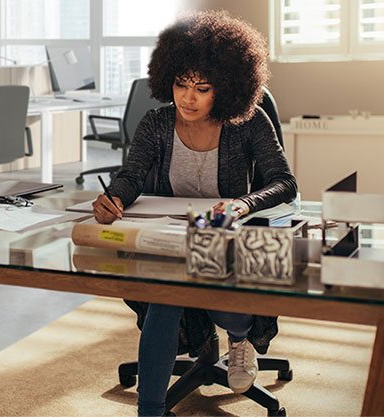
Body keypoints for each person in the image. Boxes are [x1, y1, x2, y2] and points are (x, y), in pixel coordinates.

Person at [91, 10, 297, 417]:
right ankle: (150, 410)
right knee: (167, 291)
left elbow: (284, 182)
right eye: (181, 85)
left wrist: (243, 203)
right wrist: (112, 198)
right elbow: (131, 177)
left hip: (228, 239)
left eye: (201, 89)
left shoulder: (249, 122)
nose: (188, 97)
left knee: (213, 296)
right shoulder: (157, 122)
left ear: (226, 87)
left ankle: (239, 340)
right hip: (174, 238)